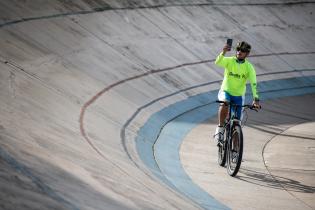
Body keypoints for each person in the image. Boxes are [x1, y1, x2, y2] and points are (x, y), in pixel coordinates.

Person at [214, 41, 260, 144]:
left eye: (242, 50)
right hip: (226, 91)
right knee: (225, 102)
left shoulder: (249, 67)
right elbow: (217, 62)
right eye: (238, 49)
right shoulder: (230, 61)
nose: (239, 52)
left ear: (247, 54)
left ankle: (235, 152)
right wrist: (224, 52)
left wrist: (256, 100)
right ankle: (220, 128)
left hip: (238, 96)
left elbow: (254, 84)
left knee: (237, 124)